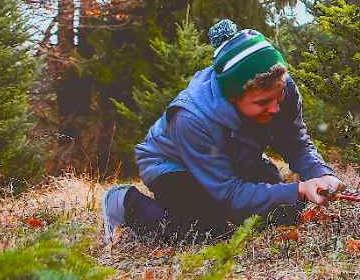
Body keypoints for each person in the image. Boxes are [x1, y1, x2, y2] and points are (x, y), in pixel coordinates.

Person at [101, 20, 342, 243]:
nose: (275, 108)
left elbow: (296, 143)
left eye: (279, 95)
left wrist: (322, 174)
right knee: (206, 231)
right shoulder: (190, 117)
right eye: (262, 103)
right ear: (233, 98)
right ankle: (124, 202)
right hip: (173, 165)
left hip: (233, 156)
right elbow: (229, 193)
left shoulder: (282, 88)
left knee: (285, 212)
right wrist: (298, 188)